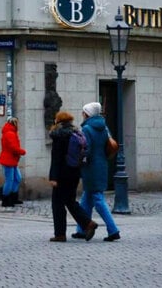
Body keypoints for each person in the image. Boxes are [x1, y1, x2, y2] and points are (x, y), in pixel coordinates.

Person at [47, 111, 98, 242]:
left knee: (57, 203)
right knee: (70, 201)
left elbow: (56, 158)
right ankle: (88, 223)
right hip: (74, 172)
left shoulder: (59, 135)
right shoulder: (76, 133)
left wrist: (53, 177)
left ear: (58, 121)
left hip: (62, 174)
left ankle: (60, 234)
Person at [75, 102, 120, 241]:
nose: (82, 114)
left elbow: (85, 149)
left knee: (98, 199)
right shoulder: (104, 127)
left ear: (87, 113)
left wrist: (78, 161)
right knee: (86, 198)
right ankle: (82, 228)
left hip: (91, 167)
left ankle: (113, 230)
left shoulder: (87, 128)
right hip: (102, 165)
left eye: (83, 112)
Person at [0, 116, 26, 210]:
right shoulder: (10, 133)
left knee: (17, 178)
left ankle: (13, 197)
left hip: (11, 159)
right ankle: (6, 199)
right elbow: (13, 147)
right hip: (8, 159)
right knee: (10, 180)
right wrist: (21, 151)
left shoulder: (10, 132)